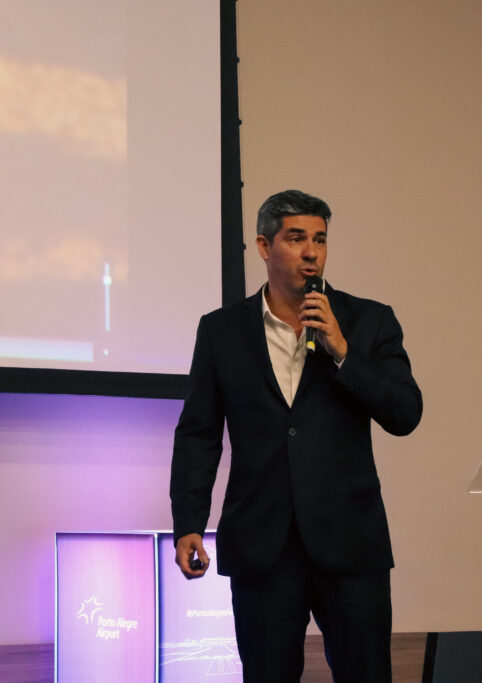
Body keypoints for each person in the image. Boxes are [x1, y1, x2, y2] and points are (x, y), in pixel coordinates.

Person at [170, 189, 422, 682]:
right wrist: (188, 523)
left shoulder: (369, 321)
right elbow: (199, 434)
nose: (311, 252)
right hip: (262, 547)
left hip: (350, 545)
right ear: (265, 247)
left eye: (320, 240)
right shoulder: (221, 332)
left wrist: (343, 351)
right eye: (296, 238)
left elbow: (406, 413)